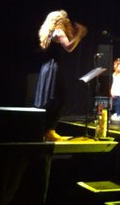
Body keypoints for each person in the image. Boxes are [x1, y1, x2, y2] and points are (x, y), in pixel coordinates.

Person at [34, 9, 87, 141]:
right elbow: (69, 47)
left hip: (47, 68)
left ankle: (45, 130)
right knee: (60, 98)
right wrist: (79, 34)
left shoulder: (49, 33)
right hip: (54, 69)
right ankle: (50, 130)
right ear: (60, 21)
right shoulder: (58, 31)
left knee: (51, 100)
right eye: (65, 19)